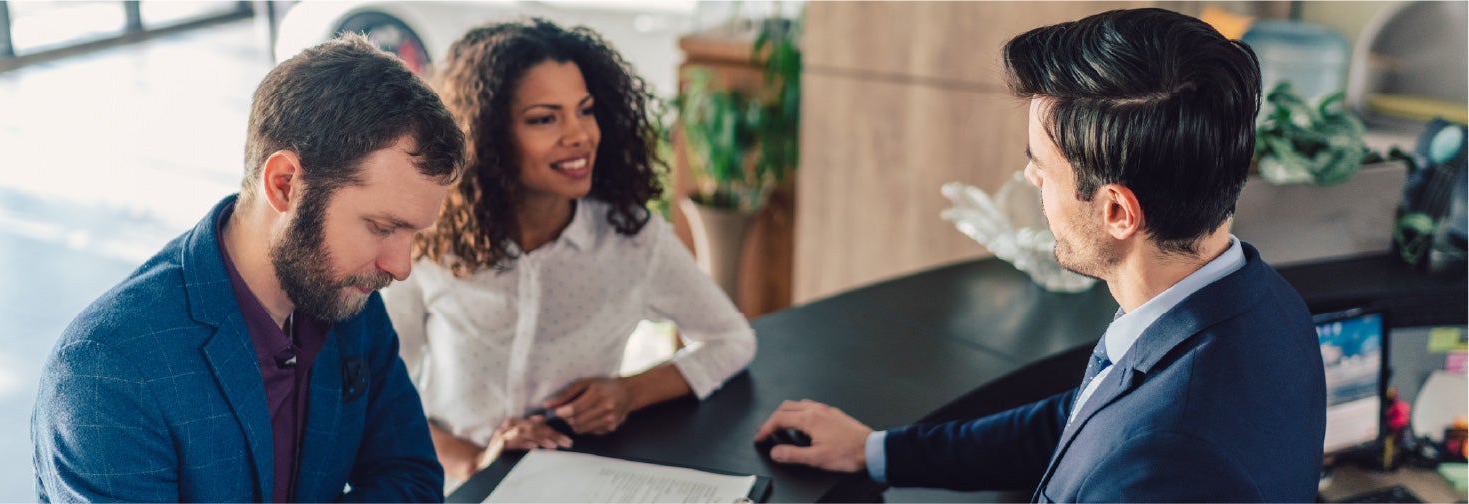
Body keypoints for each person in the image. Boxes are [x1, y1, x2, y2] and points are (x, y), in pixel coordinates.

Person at [753, 8, 1326, 502]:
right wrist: (877, 451)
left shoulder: (1167, 459)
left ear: (1118, 213)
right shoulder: (1262, 303)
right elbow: (1083, 420)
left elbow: (1126, 443)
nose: (1030, 178)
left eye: (1043, 167)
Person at [32, 34, 466, 502]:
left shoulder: (351, 299)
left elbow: (413, 479)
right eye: (382, 227)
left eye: (413, 235)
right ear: (284, 185)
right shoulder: (107, 372)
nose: (399, 267)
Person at [381, 19, 756, 488]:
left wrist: (628, 392)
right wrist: (473, 462)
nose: (579, 135)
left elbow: (732, 340)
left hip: (575, 482)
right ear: (487, 135)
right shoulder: (428, 241)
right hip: (453, 483)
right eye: (544, 118)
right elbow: (379, 397)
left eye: (585, 110)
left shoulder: (632, 238)